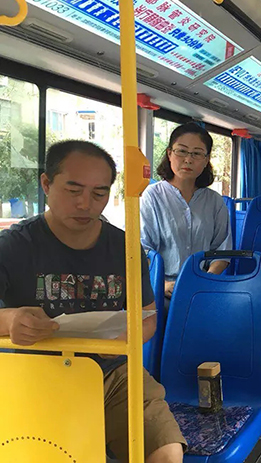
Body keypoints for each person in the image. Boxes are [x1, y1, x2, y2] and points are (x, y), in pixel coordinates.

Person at [0, 140, 186, 462]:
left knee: (166, 454)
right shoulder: (14, 246)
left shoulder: (126, 248)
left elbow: (148, 318)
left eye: (99, 193)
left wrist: (123, 338)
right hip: (38, 375)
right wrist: (10, 320)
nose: (85, 204)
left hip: (113, 375)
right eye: (73, 190)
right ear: (46, 184)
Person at [140, 123, 232, 300]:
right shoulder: (153, 196)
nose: (188, 160)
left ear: (206, 160)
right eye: (181, 151)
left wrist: (206, 280)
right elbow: (143, 249)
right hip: (163, 288)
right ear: (169, 153)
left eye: (197, 153)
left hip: (203, 286)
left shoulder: (214, 201)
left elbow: (222, 250)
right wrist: (162, 284)